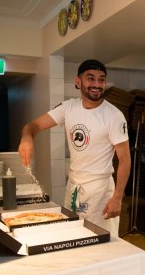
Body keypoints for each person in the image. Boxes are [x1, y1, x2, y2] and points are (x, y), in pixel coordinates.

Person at [18, 59, 131, 237]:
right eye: (90, 78)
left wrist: (117, 198)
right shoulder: (68, 107)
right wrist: (27, 137)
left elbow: (125, 160)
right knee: (73, 235)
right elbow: (33, 125)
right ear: (78, 82)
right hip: (74, 187)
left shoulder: (114, 116)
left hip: (100, 190)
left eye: (101, 80)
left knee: (101, 242)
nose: (96, 84)